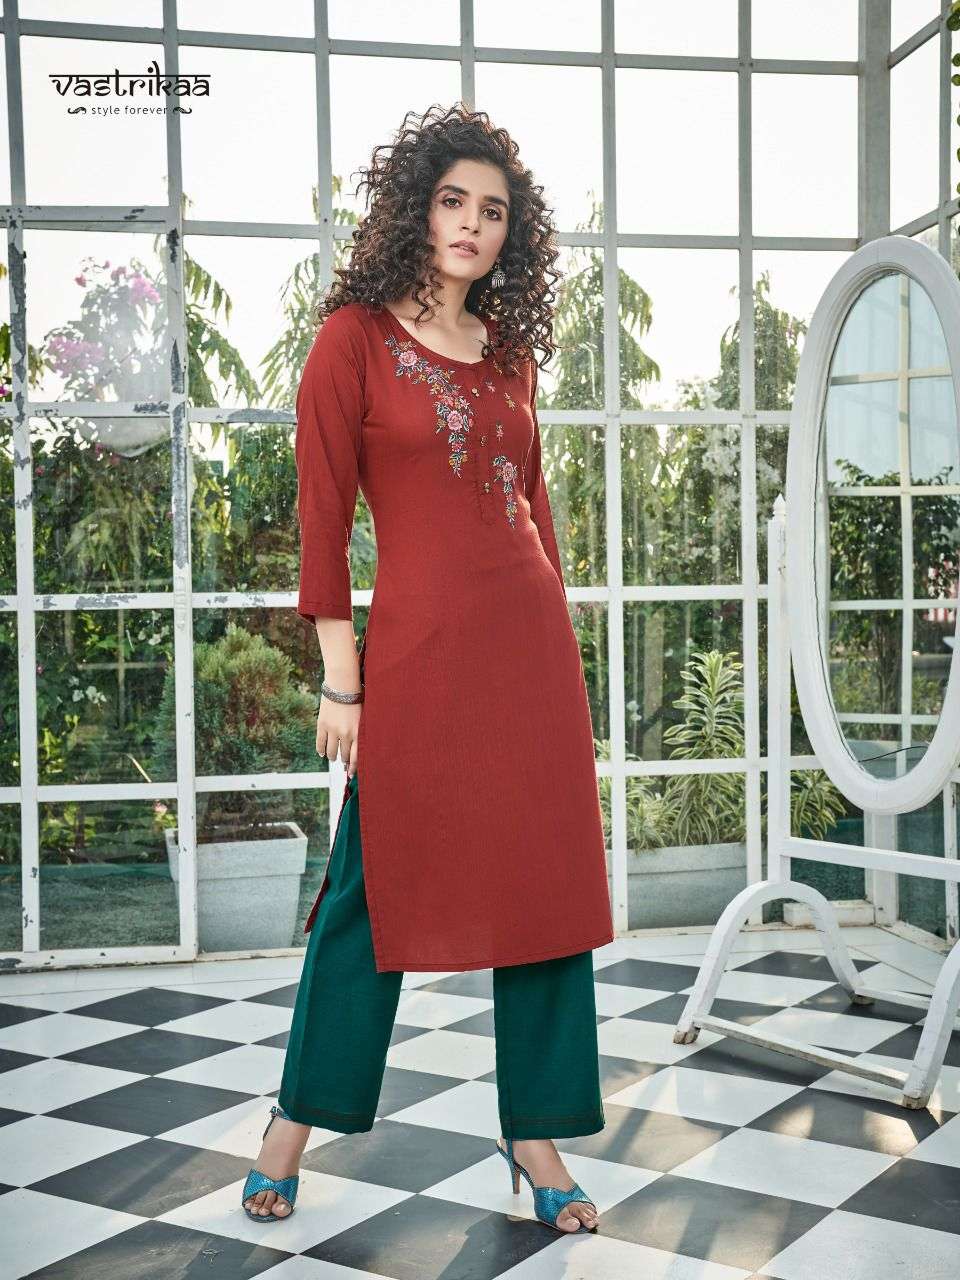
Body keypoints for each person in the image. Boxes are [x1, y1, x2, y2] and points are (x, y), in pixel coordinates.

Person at [241, 102, 614, 1236]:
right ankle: (291, 1123)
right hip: (416, 654)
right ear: (417, 207)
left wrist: (560, 648)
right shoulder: (352, 340)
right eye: (454, 200)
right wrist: (341, 675)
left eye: (494, 211)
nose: (472, 224)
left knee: (543, 892)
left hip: (528, 653)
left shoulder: (510, 355)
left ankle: (535, 1134)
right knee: (371, 890)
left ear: (512, 234)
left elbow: (533, 511)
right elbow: (323, 518)